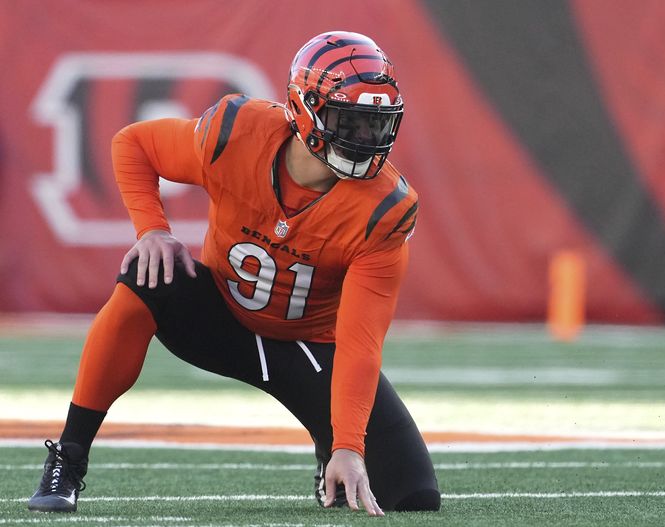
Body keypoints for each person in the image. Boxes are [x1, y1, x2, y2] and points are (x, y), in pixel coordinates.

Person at [28, 31, 440, 516]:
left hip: (307, 349)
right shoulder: (237, 134)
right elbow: (133, 143)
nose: (364, 139)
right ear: (303, 108)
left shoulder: (385, 210)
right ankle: (69, 457)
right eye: (348, 121)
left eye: (375, 124)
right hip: (219, 318)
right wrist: (152, 229)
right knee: (147, 273)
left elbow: (360, 341)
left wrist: (348, 445)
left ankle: (326, 447)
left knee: (413, 496)